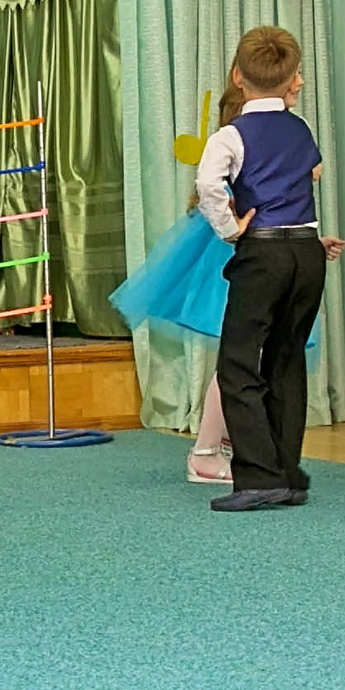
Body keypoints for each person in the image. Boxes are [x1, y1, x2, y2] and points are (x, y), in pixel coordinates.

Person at [194, 26, 344, 512]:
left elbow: (207, 183)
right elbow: (307, 173)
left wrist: (230, 229)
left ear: (238, 77)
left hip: (263, 253)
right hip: (306, 252)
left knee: (239, 363)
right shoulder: (301, 130)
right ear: (289, 81)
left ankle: (258, 476)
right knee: (286, 359)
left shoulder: (231, 135)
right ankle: (287, 472)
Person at [112, 84, 244, 485]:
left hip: (241, 261)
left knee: (244, 361)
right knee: (238, 361)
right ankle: (205, 450)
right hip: (230, 264)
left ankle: (224, 444)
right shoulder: (235, 162)